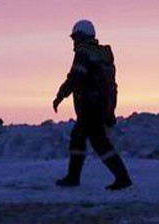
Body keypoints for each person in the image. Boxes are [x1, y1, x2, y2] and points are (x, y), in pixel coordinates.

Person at [53, 19, 132, 190]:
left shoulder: (84, 53)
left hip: (90, 106)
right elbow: (112, 86)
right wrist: (110, 110)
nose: (74, 42)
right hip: (102, 106)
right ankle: (74, 177)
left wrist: (60, 95)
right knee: (80, 137)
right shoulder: (104, 55)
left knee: (98, 141)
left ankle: (122, 178)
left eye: (75, 38)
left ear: (81, 37)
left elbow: (75, 77)